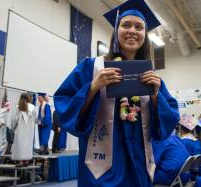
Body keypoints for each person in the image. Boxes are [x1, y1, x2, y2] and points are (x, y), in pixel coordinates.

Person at [54, 0, 180, 186]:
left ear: (145, 35)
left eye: (139, 27)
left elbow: (168, 122)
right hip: (101, 170)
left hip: (139, 164)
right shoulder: (92, 67)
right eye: (126, 25)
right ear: (116, 30)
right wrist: (93, 87)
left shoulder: (150, 76)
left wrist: (155, 96)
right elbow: (64, 105)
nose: (132, 31)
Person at [11, 93, 36, 167]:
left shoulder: (18, 107)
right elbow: (35, 119)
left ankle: (21, 161)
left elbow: (14, 120)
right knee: (27, 144)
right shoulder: (33, 108)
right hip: (29, 131)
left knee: (20, 144)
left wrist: (13, 127)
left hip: (20, 130)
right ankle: (26, 161)